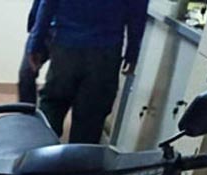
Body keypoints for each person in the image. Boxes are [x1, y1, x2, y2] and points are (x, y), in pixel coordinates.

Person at [27, 0, 149, 143]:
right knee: (90, 118)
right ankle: (80, 156)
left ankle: (42, 152)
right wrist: (132, 52)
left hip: (66, 47)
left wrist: (36, 42)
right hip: (105, 52)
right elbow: (137, 12)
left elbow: (48, 4)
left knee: (53, 107)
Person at [18, 0, 45, 104]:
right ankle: (27, 111)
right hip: (41, 31)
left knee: (65, 79)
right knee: (26, 73)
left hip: (65, 32)